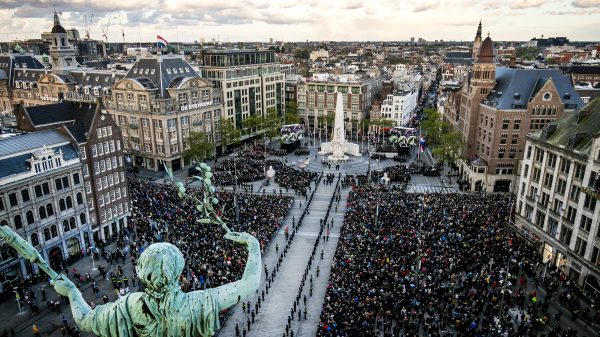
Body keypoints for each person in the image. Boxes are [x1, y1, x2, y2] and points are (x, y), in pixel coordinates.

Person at [51, 232, 261, 337]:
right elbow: (250, 283)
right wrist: (253, 245)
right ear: (178, 270)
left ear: (141, 272)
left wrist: (71, 291)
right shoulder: (198, 302)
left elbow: (85, 320)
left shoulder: (128, 305)